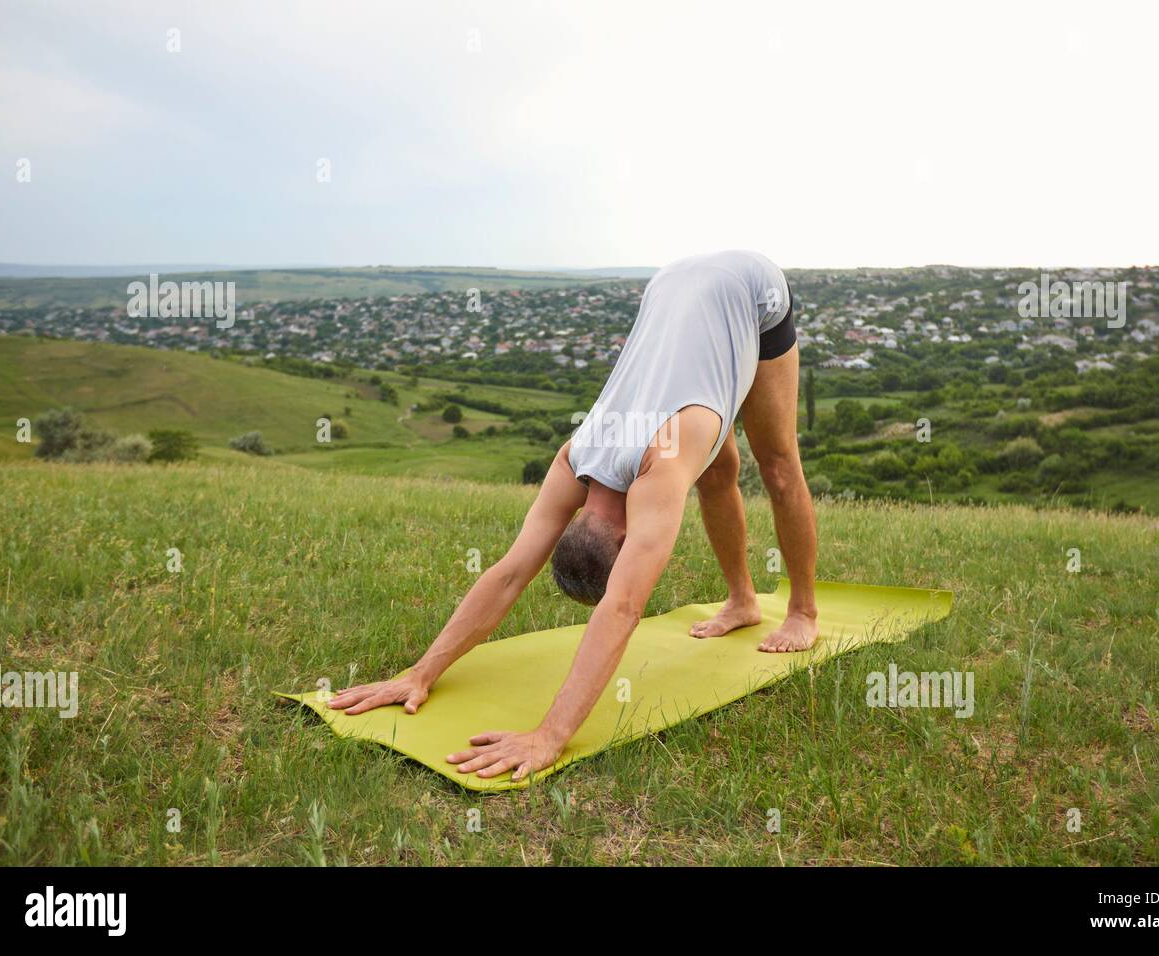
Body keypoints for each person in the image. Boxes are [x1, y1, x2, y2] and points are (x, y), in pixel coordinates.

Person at [328, 250, 818, 782]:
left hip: (749, 289)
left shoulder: (658, 463)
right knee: (718, 471)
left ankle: (804, 612)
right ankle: (743, 602)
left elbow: (624, 605)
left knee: (778, 465)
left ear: (624, 534)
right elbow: (511, 570)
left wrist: (550, 735)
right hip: (670, 286)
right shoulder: (576, 456)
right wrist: (420, 673)